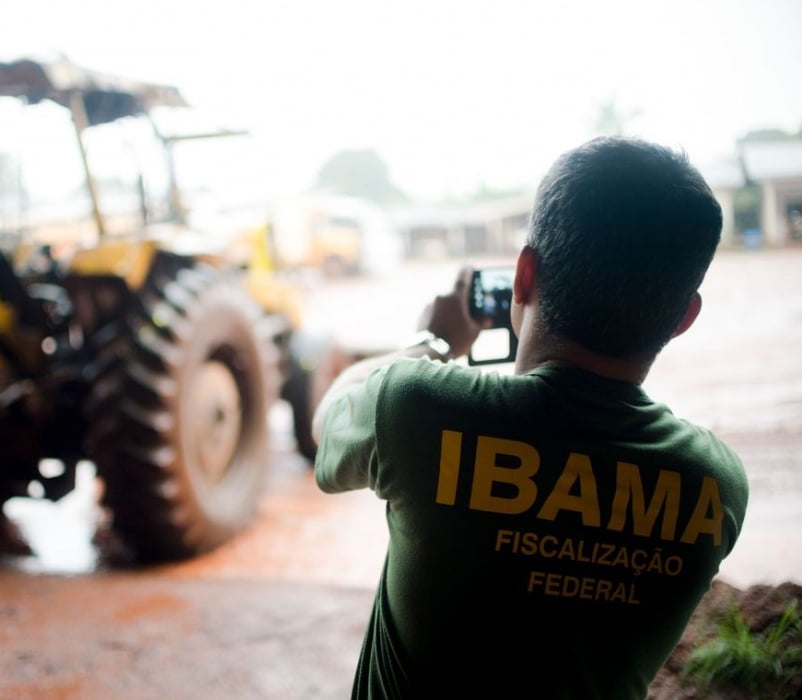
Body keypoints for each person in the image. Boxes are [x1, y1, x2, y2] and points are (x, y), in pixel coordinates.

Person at [311, 136, 749, 699]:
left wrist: (433, 341)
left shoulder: (418, 408)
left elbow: (326, 424)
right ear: (683, 317)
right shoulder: (715, 488)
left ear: (523, 276)